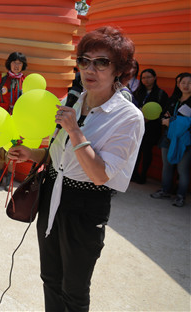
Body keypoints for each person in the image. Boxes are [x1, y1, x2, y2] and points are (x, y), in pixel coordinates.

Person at [8, 26, 144, 312]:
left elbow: (99, 175)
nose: (90, 69)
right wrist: (29, 153)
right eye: (84, 60)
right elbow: (56, 155)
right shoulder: (72, 101)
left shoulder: (128, 117)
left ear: (118, 68)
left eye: (102, 62)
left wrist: (75, 130)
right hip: (50, 198)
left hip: (85, 207)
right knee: (50, 278)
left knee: (75, 291)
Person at [151, 72, 191, 207]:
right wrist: (165, 120)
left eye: (189, 83)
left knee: (182, 170)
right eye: (183, 83)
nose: (186, 86)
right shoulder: (174, 100)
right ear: (178, 84)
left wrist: (171, 122)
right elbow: (164, 115)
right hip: (168, 137)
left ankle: (180, 196)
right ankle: (165, 190)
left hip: (185, 141)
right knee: (167, 167)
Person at [0, 51, 27, 186]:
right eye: (14, 62)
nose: (16, 66)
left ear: (23, 65)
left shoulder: (25, 82)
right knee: (0, 148)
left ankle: (10, 179)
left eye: (19, 63)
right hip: (1, 119)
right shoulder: (1, 78)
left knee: (14, 149)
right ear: (9, 63)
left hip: (16, 122)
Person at [131, 68, 169, 184]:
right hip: (138, 127)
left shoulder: (161, 94)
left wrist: (150, 118)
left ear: (155, 78)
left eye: (149, 77)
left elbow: (164, 112)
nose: (146, 80)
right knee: (135, 152)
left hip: (151, 128)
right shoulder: (138, 92)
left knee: (147, 152)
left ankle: (143, 175)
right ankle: (134, 174)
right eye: (143, 78)